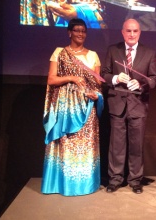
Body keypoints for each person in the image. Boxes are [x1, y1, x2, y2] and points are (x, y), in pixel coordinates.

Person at [41, 18, 104, 196]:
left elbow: (98, 84)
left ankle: (86, 184)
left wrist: (95, 94)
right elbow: (51, 79)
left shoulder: (93, 56)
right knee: (66, 143)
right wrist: (72, 78)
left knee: (87, 145)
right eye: (76, 30)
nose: (80, 34)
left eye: (83, 31)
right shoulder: (59, 53)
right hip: (66, 108)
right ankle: (64, 184)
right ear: (69, 32)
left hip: (87, 108)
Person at [101, 18, 156, 194]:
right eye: (128, 31)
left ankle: (135, 180)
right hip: (117, 104)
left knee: (136, 145)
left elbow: (154, 79)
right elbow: (104, 74)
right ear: (122, 32)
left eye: (135, 31)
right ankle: (115, 179)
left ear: (139, 32)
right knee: (116, 145)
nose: (132, 34)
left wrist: (141, 84)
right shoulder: (113, 50)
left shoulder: (149, 52)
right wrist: (116, 79)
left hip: (138, 105)